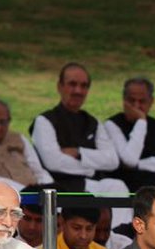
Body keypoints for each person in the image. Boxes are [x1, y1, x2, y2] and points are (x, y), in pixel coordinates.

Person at [30, 63, 125, 195]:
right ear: (60, 87)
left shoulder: (93, 123)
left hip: (93, 185)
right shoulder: (44, 121)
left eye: (84, 86)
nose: (78, 91)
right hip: (60, 187)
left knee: (117, 186)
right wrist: (91, 169)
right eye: (72, 84)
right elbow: (54, 162)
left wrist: (79, 153)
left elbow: (112, 160)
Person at [103, 77, 155, 191]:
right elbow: (130, 159)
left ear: (151, 102)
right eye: (132, 100)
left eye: (142, 101)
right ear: (124, 100)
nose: (136, 106)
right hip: (130, 191)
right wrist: (141, 121)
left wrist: (140, 165)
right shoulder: (112, 125)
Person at [0, 99, 53, 188]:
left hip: (35, 192)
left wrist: (49, 188)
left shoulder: (18, 139)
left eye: (3, 122)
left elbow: (38, 171)